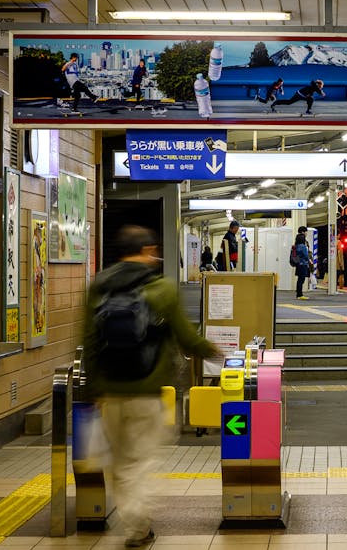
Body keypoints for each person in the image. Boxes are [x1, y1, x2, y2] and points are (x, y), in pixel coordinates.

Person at [81, 225, 219, 547]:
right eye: (153, 251)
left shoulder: (98, 288)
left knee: (119, 463)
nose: (155, 257)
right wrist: (212, 350)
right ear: (145, 251)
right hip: (147, 392)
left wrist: (93, 391)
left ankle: (134, 523)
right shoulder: (162, 289)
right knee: (141, 461)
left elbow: (88, 342)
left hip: (110, 394)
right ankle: (137, 521)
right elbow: (186, 337)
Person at [294, 232, 312, 300]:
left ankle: (298, 294)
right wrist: (309, 260)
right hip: (303, 264)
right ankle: (300, 295)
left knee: (299, 279)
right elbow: (306, 255)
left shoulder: (296, 246)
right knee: (301, 280)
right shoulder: (303, 246)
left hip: (298, 264)